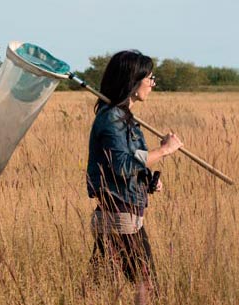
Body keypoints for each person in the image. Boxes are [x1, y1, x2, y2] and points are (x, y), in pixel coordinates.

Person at [86, 49, 183, 305]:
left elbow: (132, 164)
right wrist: (164, 150)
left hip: (123, 213)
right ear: (133, 80)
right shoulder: (112, 120)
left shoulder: (124, 118)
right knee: (146, 284)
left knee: (99, 282)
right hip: (119, 216)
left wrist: (148, 179)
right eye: (149, 78)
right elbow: (121, 165)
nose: (152, 84)